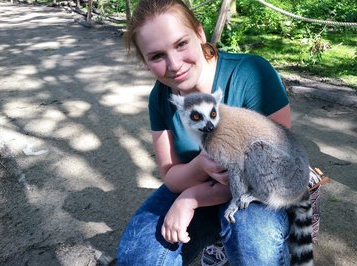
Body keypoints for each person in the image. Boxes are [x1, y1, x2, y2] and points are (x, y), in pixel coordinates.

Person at [117, 0, 292, 265]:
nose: (174, 64)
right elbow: (172, 176)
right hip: (199, 183)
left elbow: (275, 169)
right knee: (138, 256)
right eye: (156, 56)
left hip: (258, 190)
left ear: (200, 34)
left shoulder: (252, 73)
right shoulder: (161, 97)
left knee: (253, 243)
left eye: (180, 44)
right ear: (145, 62)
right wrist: (202, 164)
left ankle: (267, 244)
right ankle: (218, 236)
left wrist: (192, 199)